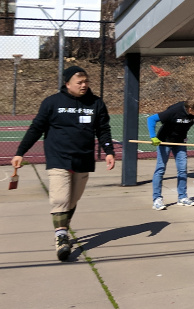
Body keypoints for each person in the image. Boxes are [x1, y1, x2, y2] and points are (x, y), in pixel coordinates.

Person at [11, 66, 116, 262]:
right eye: (79, 82)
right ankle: (61, 237)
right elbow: (36, 128)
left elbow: (103, 129)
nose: (84, 85)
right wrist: (20, 152)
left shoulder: (96, 103)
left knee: (72, 201)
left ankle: (63, 229)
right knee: (59, 199)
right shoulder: (52, 103)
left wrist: (109, 151)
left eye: (86, 82)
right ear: (67, 84)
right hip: (58, 157)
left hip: (83, 158)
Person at [148, 97, 194, 210]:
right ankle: (157, 199)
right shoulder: (174, 111)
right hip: (165, 140)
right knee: (160, 169)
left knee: (182, 170)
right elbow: (151, 119)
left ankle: (182, 197)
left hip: (180, 142)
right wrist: (153, 137)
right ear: (190, 108)